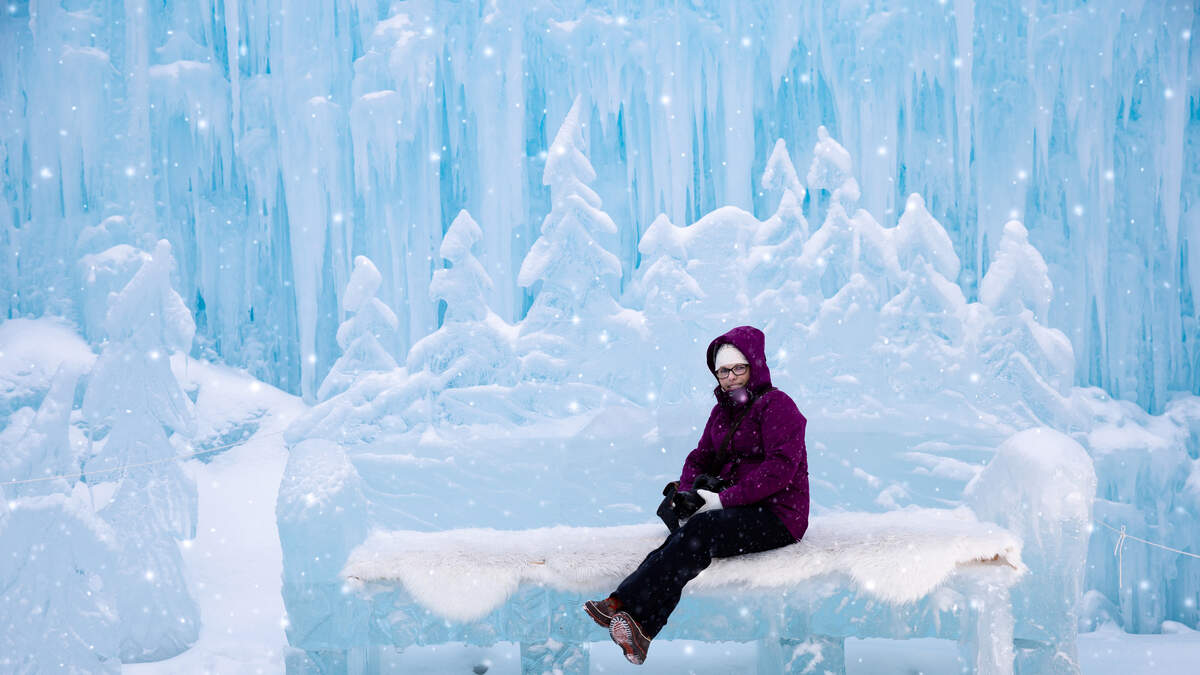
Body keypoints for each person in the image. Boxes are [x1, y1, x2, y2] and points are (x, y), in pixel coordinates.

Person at [583, 325, 809, 665]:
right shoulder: (722, 412)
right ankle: (632, 621)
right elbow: (700, 457)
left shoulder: (778, 406)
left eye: (738, 368)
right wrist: (689, 493)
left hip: (779, 515)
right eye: (723, 371)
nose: (730, 377)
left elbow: (780, 470)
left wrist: (723, 500)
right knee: (686, 535)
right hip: (737, 509)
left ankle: (628, 609)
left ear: (755, 367)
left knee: (698, 535)